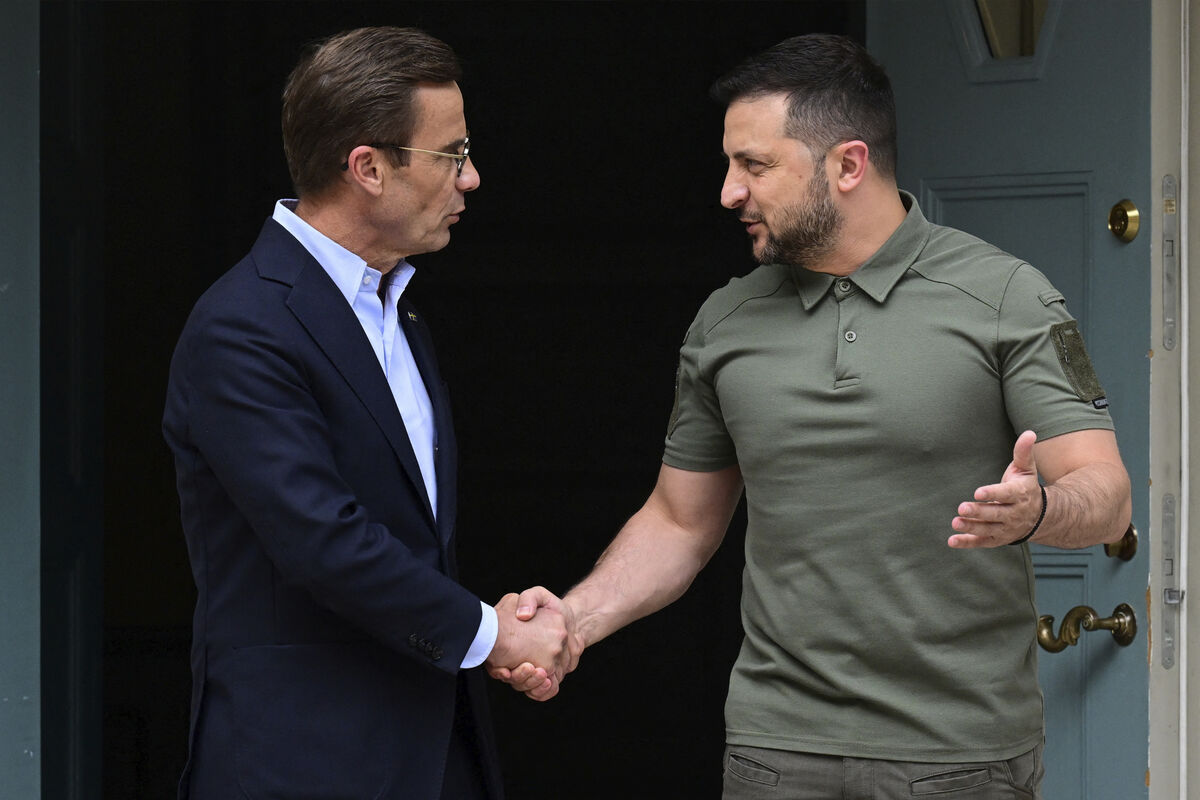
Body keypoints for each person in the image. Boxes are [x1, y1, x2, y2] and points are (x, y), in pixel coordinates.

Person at [495, 33, 1131, 799]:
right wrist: (573, 620)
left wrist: (1039, 512)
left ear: (848, 165)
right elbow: (679, 523)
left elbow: (1107, 497)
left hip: (959, 757)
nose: (729, 192)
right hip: (775, 754)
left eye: (755, 165)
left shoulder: (1006, 297)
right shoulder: (725, 321)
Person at [162, 26, 567, 800]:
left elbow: (412, 537)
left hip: (434, 752)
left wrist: (488, 629)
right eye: (452, 154)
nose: (472, 177)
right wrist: (492, 633)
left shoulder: (396, 310)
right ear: (368, 168)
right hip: (303, 763)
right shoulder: (242, 327)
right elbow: (323, 541)